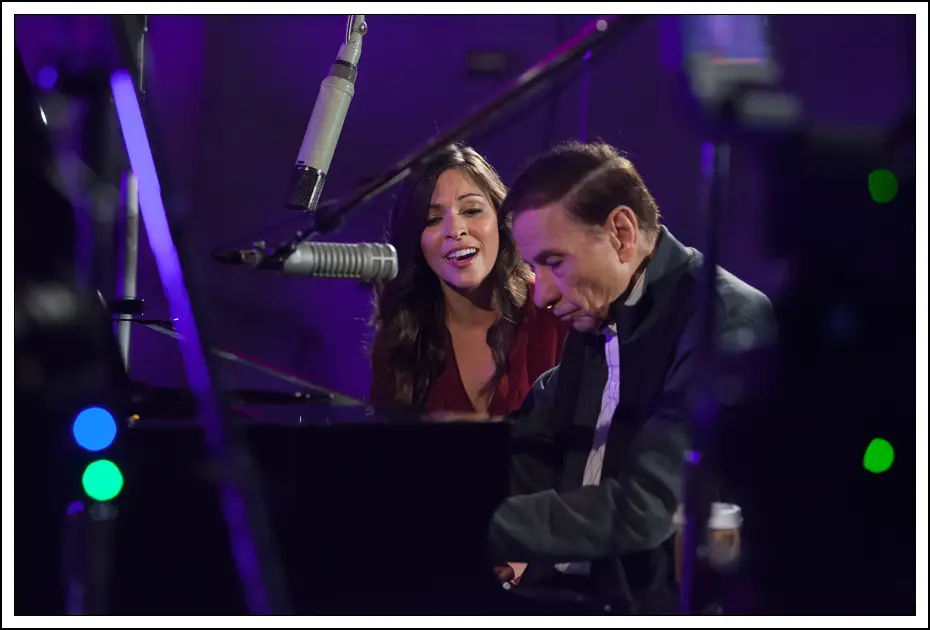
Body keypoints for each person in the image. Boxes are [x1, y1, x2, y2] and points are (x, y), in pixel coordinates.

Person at [485, 141, 776, 612]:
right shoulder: (597, 313)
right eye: (535, 268)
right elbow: (530, 448)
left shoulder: (721, 317)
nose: (542, 296)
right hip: (564, 598)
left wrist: (477, 527)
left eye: (554, 263)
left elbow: (648, 506)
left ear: (621, 232)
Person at [368, 143, 569, 417]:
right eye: (433, 219)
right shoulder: (402, 337)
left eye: (471, 210)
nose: (455, 230)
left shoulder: (556, 311)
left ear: (500, 219)